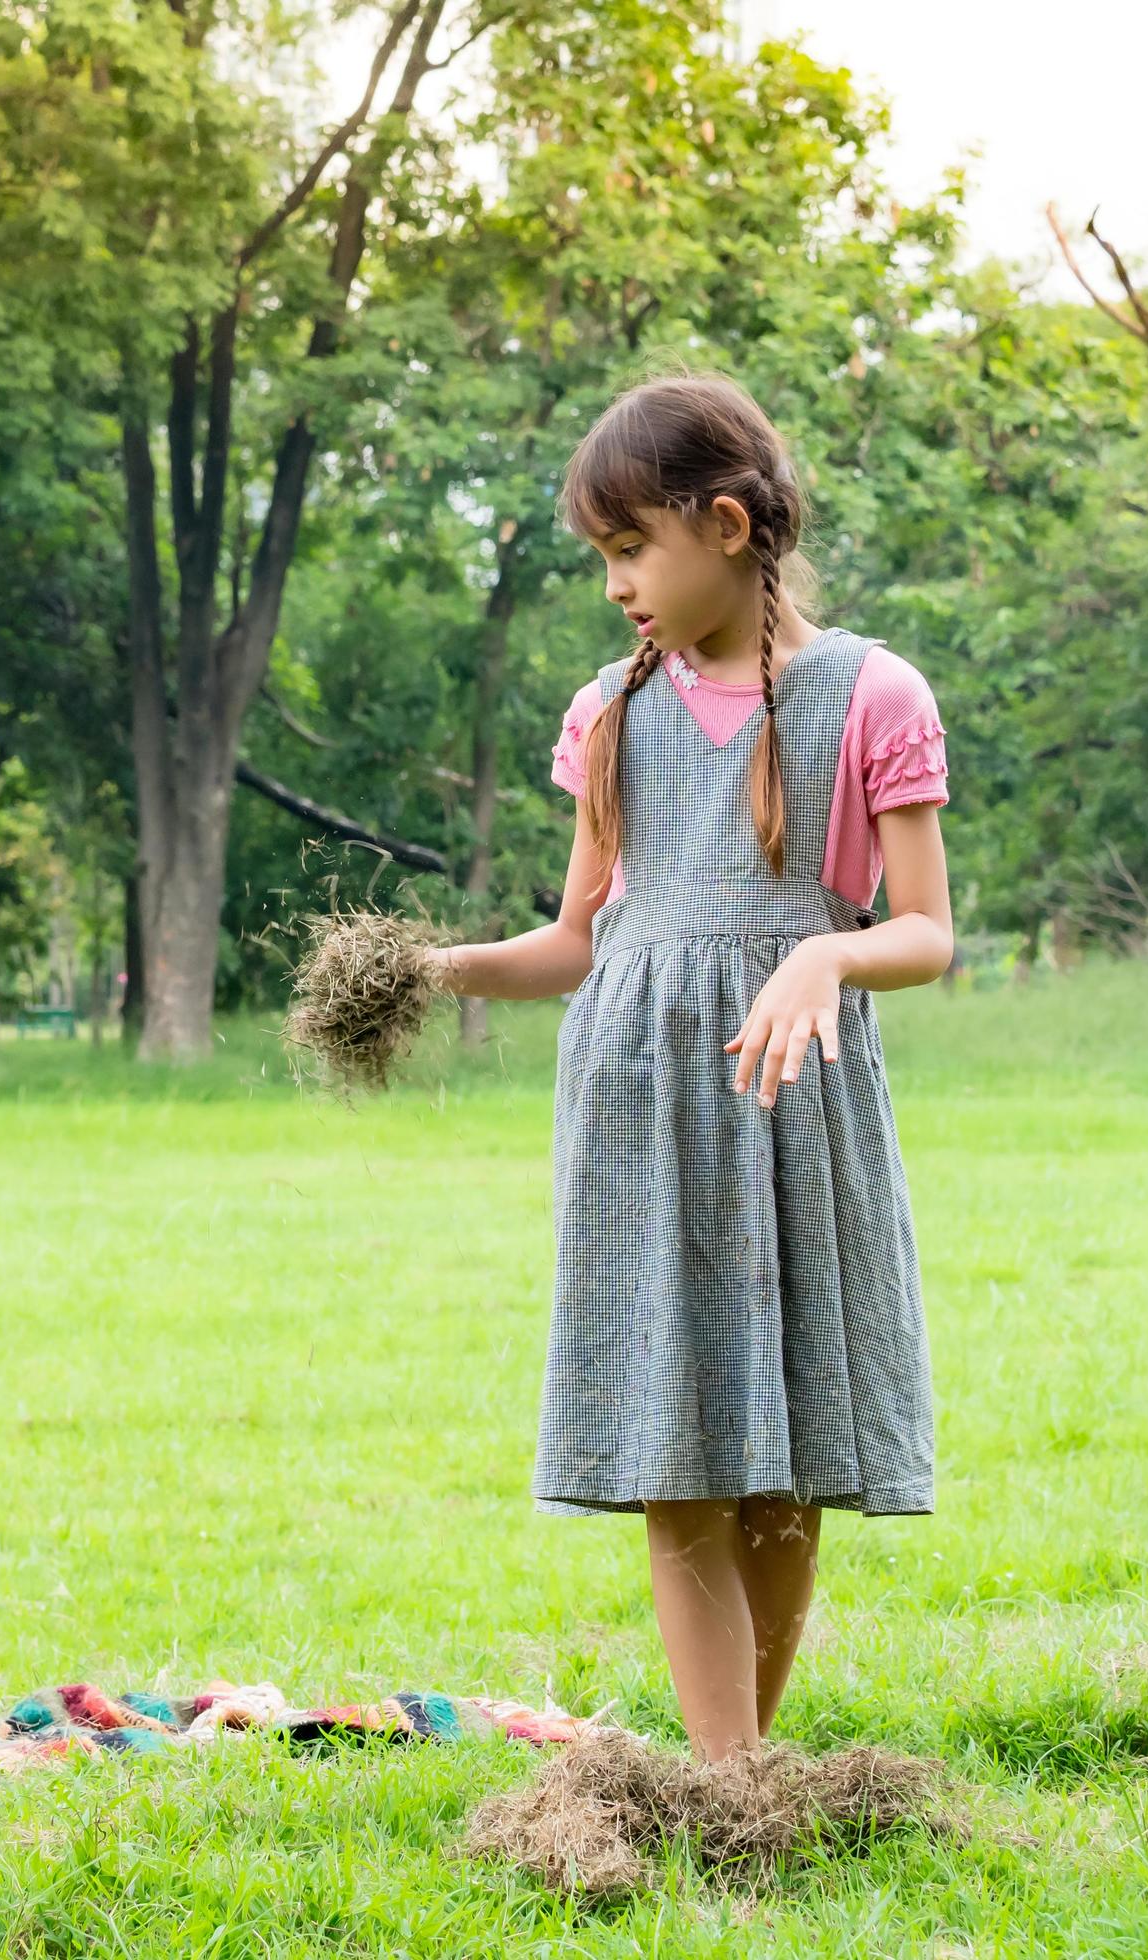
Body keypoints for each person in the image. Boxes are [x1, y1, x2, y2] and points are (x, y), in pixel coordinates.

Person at [422, 371, 953, 1765]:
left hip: (795, 1107)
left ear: (724, 523)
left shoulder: (867, 694)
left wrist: (823, 958)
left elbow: (926, 932)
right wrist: (437, 971)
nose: (613, 588)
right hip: (638, 1108)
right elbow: (574, 942)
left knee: (782, 1468)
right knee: (676, 1456)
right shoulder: (610, 711)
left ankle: (739, 1774)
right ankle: (731, 1784)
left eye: (627, 549)